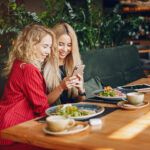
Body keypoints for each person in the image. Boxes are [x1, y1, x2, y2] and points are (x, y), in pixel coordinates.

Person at [0, 24, 56, 149]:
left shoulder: (19, 63)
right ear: (32, 45)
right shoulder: (29, 69)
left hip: (6, 124)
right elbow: (41, 106)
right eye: (45, 46)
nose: (48, 52)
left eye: (50, 47)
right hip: (16, 129)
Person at [43, 22, 86, 105]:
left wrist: (81, 89)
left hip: (73, 114)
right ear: (52, 43)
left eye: (69, 45)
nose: (65, 49)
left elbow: (82, 103)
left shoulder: (74, 64)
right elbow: (42, 104)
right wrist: (61, 87)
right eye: (61, 44)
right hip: (53, 115)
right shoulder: (43, 66)